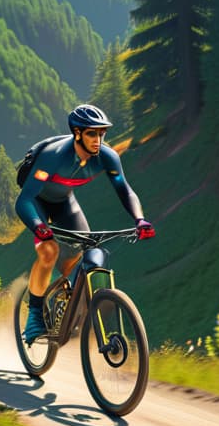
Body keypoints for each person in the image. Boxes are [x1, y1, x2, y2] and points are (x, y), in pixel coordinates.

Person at [16, 104, 155, 344]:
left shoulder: (107, 157)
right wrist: (39, 226)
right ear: (77, 133)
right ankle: (35, 315)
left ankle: (69, 307)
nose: (98, 139)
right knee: (49, 252)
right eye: (92, 133)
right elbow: (24, 200)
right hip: (37, 202)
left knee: (86, 252)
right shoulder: (54, 156)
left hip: (65, 202)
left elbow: (124, 189)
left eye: (102, 133)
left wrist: (140, 219)